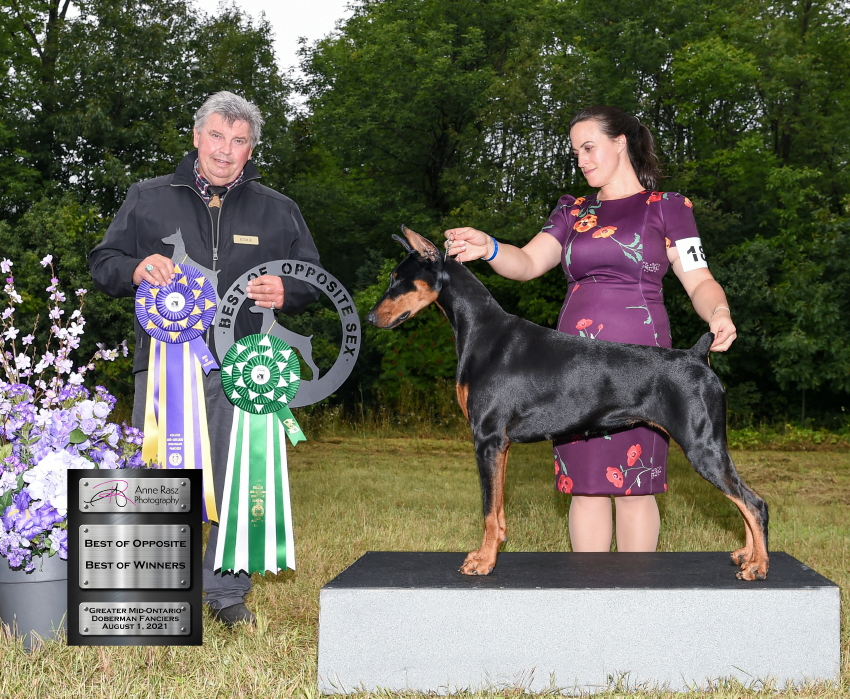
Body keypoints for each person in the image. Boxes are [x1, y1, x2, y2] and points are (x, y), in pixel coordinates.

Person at [444, 105, 736, 553]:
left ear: (620, 143)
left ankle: (636, 590)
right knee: (585, 488)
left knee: (635, 490)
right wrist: (491, 247)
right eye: (575, 152)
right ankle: (589, 592)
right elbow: (528, 263)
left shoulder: (668, 208)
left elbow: (699, 280)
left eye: (588, 147)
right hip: (570, 368)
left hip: (641, 362)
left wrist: (719, 312)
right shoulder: (572, 210)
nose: (581, 160)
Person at [89, 91, 321, 626]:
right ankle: (151, 594)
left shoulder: (279, 209)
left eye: (238, 141)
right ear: (196, 136)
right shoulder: (148, 197)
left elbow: (312, 277)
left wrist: (288, 290)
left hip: (248, 367)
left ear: (250, 149)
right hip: (165, 366)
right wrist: (135, 268)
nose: (224, 150)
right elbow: (103, 262)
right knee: (162, 477)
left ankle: (225, 594)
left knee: (240, 475)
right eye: (216, 135)